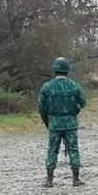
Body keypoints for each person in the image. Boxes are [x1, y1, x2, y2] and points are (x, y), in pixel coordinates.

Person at [38, 58, 87, 187]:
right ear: (67, 70)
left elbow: (41, 108)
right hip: (70, 123)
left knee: (52, 150)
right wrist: (74, 112)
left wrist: (47, 121)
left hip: (54, 123)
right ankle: (76, 179)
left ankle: (49, 180)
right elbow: (83, 102)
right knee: (73, 150)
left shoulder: (47, 87)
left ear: (55, 69)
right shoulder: (74, 85)